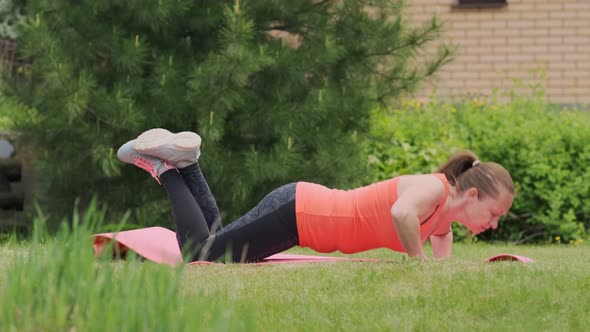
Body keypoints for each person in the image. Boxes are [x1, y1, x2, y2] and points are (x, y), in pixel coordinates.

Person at [117, 128, 514, 262]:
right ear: (473, 193)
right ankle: (168, 169)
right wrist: (418, 262)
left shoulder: (445, 218)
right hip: (300, 213)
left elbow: (439, 243)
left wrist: (436, 269)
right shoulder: (434, 187)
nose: (493, 224)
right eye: (494, 213)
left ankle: (188, 163)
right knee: (199, 253)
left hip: (300, 212)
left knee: (215, 241)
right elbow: (401, 214)